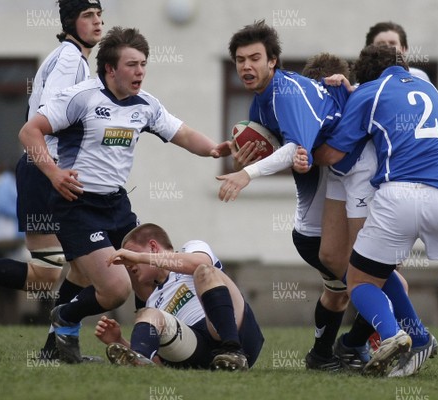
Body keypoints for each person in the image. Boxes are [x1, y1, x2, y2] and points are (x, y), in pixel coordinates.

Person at [19, 26, 231, 364]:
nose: (140, 72)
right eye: (132, 65)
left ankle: (138, 352)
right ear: (110, 69)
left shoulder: (145, 105)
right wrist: (54, 173)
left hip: (116, 204)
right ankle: (66, 316)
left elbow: (184, 133)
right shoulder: (81, 97)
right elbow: (30, 131)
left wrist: (215, 150)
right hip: (77, 204)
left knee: (146, 278)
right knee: (116, 288)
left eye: (143, 64)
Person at [312, 44, 438, 379]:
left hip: (398, 195)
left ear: (366, 75)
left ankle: (393, 334)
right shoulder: (429, 88)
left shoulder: (369, 93)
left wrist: (299, 148)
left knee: (359, 280)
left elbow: (333, 154)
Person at [219, 23, 372, 371]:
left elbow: (298, 150)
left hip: (314, 229)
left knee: (340, 293)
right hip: (316, 232)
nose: (246, 66)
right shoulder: (267, 104)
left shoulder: (298, 92)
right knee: (381, 285)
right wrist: (248, 163)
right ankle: (366, 344)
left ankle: (323, 356)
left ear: (273, 60)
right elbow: (293, 151)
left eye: (255, 58)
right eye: (240, 59)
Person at [0, 0, 103, 360]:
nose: (98, 22)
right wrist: (54, 170)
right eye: (89, 16)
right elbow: (43, 121)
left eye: (100, 16)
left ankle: (54, 349)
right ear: (71, 22)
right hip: (49, 169)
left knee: (63, 271)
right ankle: (56, 347)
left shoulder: (71, 58)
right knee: (70, 268)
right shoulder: (71, 60)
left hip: (46, 169)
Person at [366, 21, 438, 352]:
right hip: (384, 183)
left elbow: (431, 124)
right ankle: (385, 334)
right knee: (384, 268)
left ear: (405, 50)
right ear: (371, 50)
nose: (390, 49)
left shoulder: (421, 79)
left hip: (428, 181)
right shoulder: (364, 84)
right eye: (382, 44)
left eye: (395, 44)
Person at [94, 223, 264, 370]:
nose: (129, 264)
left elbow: (199, 263)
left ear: (153, 246)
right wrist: (118, 341)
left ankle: (234, 351)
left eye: (130, 255)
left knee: (204, 270)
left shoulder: (192, 248)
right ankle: (138, 360)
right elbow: (161, 363)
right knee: (147, 313)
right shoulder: (153, 300)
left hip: (239, 336)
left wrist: (141, 257)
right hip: (200, 352)